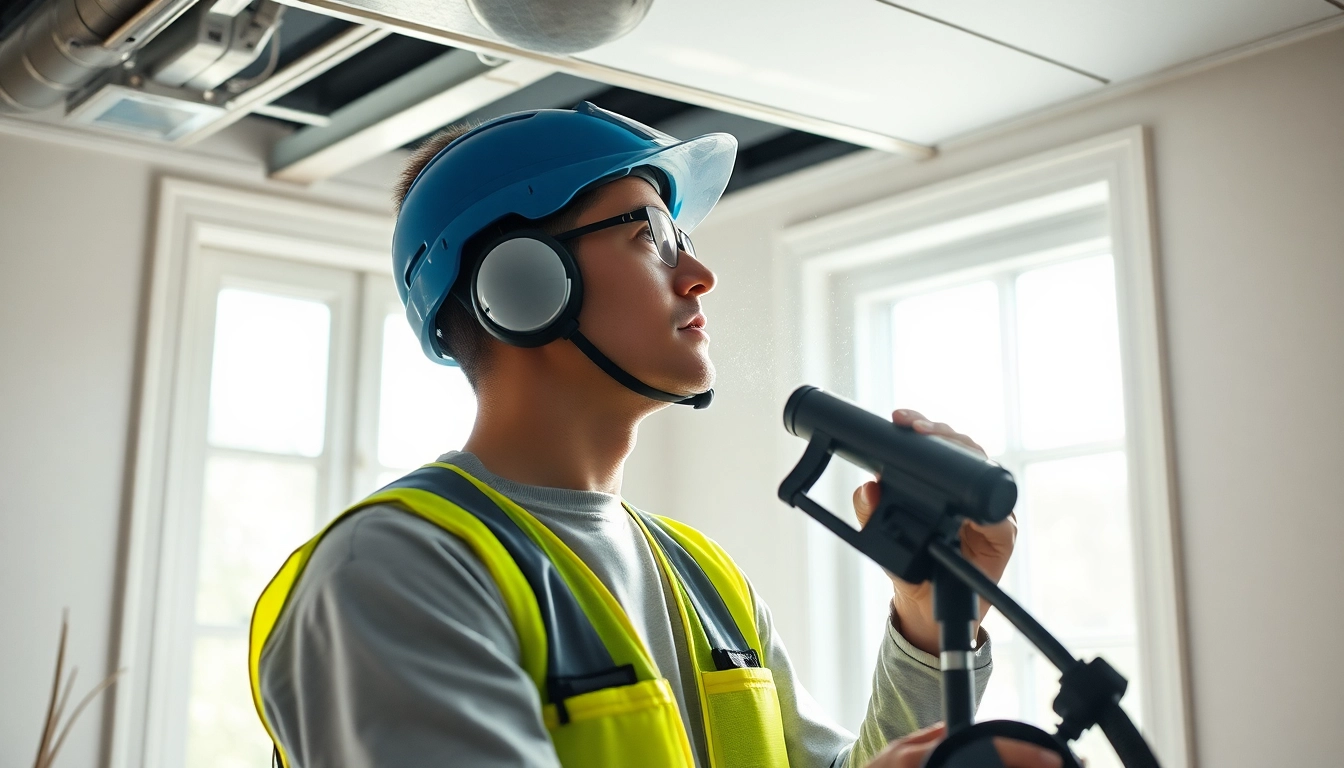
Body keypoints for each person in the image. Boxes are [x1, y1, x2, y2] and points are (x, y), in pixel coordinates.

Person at [248, 102, 1056, 768]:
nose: (698, 274)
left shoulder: (706, 579)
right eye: (652, 236)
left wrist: (931, 615)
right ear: (520, 284)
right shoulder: (398, 571)